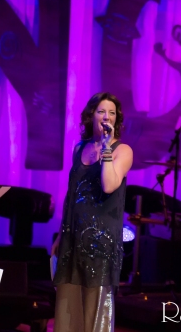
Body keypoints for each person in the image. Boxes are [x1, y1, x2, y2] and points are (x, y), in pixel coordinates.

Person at [52, 92, 133, 332]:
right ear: (91, 115)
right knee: (68, 305)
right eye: (101, 111)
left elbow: (109, 185)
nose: (106, 117)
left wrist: (106, 148)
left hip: (101, 241)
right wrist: (60, 234)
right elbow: (71, 194)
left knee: (94, 310)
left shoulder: (123, 150)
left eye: (112, 113)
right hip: (73, 237)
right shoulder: (79, 148)